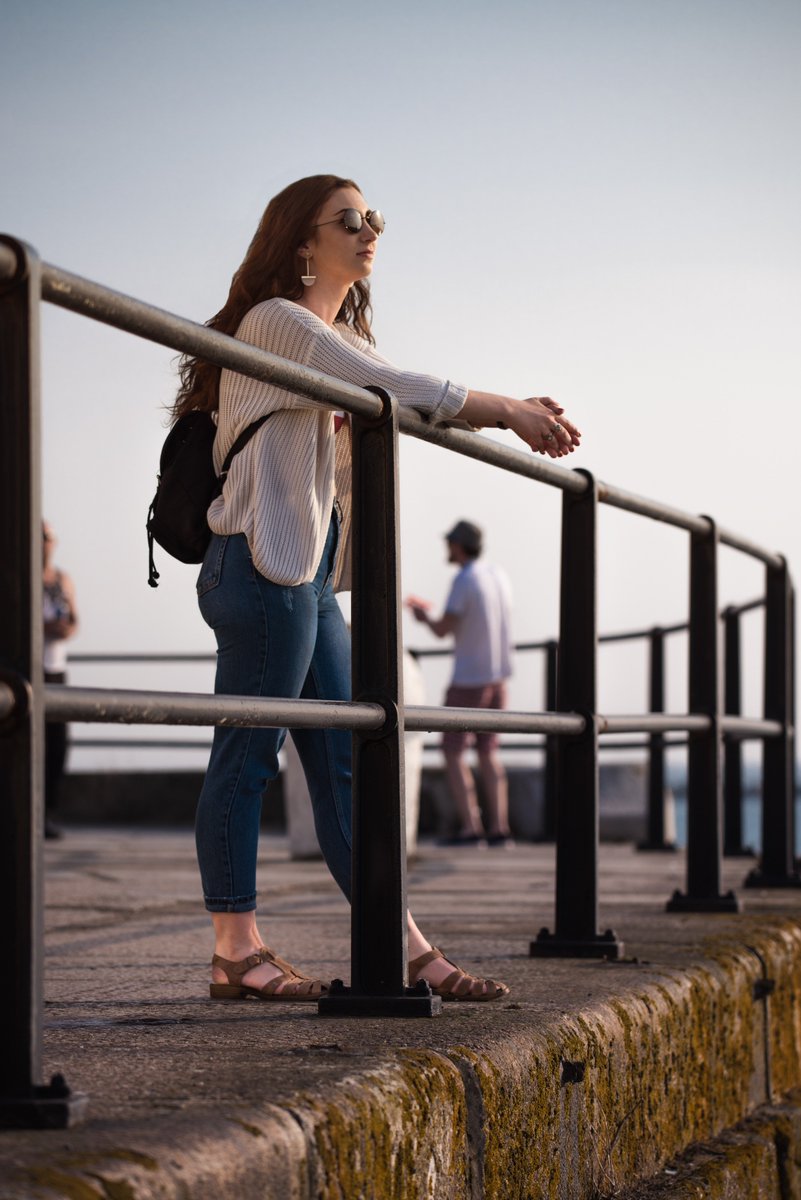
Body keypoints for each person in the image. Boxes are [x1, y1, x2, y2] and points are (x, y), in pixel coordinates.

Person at [172, 174, 581, 1004]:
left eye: (376, 221)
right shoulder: (277, 323)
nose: (370, 234)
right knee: (248, 756)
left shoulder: (335, 339)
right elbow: (410, 392)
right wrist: (507, 410)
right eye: (350, 220)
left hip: (306, 579)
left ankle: (402, 945)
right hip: (259, 567)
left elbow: (410, 393)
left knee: (349, 765)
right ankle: (234, 951)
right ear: (299, 243)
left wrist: (500, 405)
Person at [407, 521, 514, 848]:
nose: (447, 549)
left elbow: (443, 629)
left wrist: (423, 617)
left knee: (452, 751)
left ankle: (471, 827)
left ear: (460, 546)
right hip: (499, 679)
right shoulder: (498, 576)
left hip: (469, 678)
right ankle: (499, 829)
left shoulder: (464, 580)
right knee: (488, 751)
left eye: (451, 543)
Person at [42, 521, 79, 839]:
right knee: (30, 746)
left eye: (48, 538)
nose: (44, 543)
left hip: (57, 670)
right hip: (29, 670)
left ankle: (47, 814)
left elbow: (73, 620)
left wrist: (62, 629)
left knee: (57, 747)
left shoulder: (62, 580)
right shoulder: (22, 577)